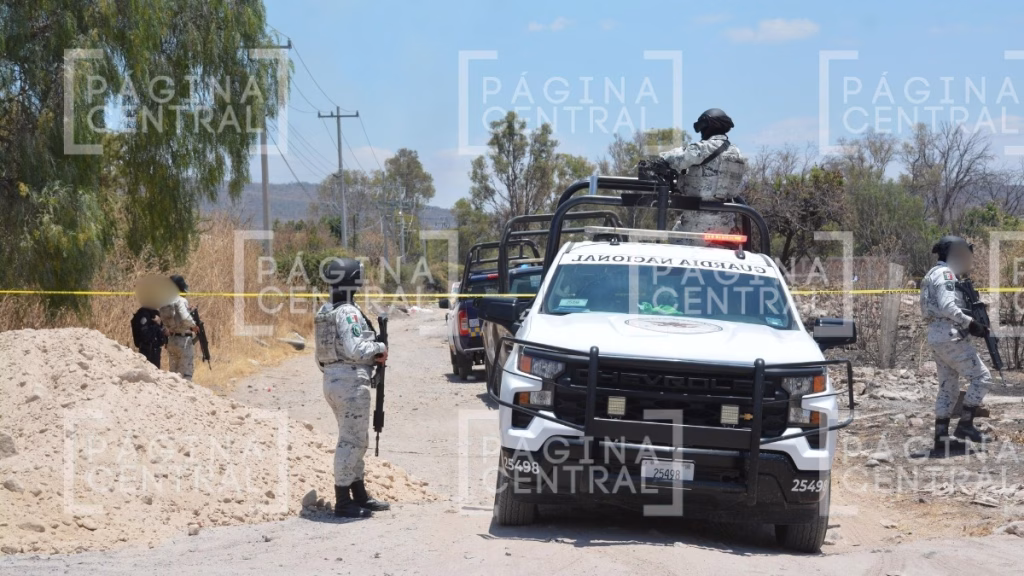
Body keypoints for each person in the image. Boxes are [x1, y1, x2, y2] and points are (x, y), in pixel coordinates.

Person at [314, 257, 390, 518]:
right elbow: (357, 349)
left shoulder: (325, 310)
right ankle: (343, 501)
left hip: (332, 380)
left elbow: (320, 355)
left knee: (358, 439)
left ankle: (358, 494)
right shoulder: (348, 311)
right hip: (350, 382)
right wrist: (379, 348)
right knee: (351, 441)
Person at [920, 235, 993, 450]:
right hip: (949, 334)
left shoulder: (931, 273)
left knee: (948, 387)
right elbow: (947, 306)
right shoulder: (945, 274)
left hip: (936, 335)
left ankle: (941, 438)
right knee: (982, 377)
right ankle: (965, 425)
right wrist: (971, 323)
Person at [659, 108, 748, 242]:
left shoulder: (705, 148)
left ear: (708, 126)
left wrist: (659, 161)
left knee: (672, 241)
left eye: (702, 128)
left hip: (696, 225)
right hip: (726, 228)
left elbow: (675, 158)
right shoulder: (738, 154)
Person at [159, 275, 198, 380]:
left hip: (171, 340)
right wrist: (194, 326)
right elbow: (185, 318)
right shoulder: (181, 300)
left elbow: (164, 320)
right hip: (183, 341)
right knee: (186, 374)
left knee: (174, 374)